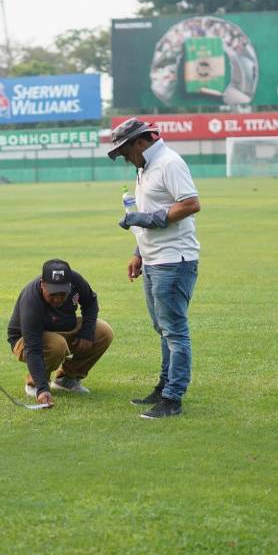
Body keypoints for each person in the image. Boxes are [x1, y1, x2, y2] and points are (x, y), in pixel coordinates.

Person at [108, 117, 202, 419]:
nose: (124, 157)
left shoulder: (169, 162)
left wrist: (149, 220)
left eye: (125, 151)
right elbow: (149, 210)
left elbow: (190, 204)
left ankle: (173, 398)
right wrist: (139, 251)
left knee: (174, 331)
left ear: (140, 142)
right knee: (162, 329)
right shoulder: (145, 166)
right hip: (153, 259)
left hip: (174, 261)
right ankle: (164, 388)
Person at [7, 259, 114, 407]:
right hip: (25, 340)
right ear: (42, 284)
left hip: (63, 330)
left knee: (103, 331)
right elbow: (33, 348)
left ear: (69, 285)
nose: (57, 298)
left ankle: (67, 379)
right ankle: (35, 384)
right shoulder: (31, 300)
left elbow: (90, 303)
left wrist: (87, 333)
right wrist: (43, 389)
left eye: (62, 294)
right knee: (57, 345)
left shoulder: (76, 280)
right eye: (52, 294)